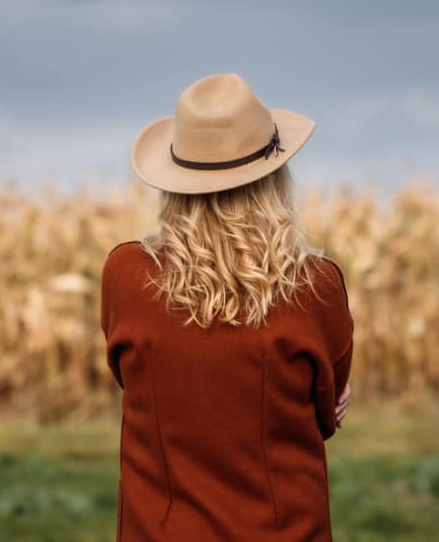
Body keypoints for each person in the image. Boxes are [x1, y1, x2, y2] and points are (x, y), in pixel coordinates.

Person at [100, 72, 355, 541]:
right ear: (275, 179)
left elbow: (131, 376)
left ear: (173, 182)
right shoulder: (317, 287)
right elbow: (326, 411)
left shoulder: (125, 277)